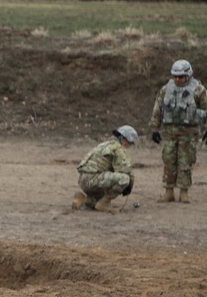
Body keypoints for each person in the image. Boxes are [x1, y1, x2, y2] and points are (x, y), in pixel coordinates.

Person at [149, 59, 207, 203]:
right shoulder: (166, 89)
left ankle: (184, 192)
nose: (177, 79)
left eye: (180, 77)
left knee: (185, 162)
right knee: (169, 161)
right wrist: (155, 128)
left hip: (189, 133)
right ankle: (169, 191)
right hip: (169, 132)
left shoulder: (199, 90)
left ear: (188, 75)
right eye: (175, 76)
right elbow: (158, 108)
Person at [72, 125, 138, 214]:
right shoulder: (118, 148)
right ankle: (104, 203)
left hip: (83, 180)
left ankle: (85, 199)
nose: (129, 146)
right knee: (124, 179)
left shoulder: (103, 145)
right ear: (124, 140)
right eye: (130, 143)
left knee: (98, 199)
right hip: (94, 179)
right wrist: (128, 187)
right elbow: (125, 170)